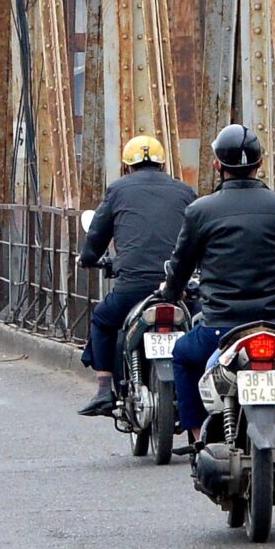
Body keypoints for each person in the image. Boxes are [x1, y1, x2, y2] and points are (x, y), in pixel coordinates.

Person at [156, 124, 275, 443]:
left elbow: (180, 265)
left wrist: (171, 294)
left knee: (183, 355)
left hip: (219, 329)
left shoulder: (201, 211)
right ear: (261, 163)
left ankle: (197, 436)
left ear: (217, 165)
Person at [73, 135, 195, 416]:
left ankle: (104, 390)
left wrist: (87, 259)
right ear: (162, 164)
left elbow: (97, 235)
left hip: (133, 288)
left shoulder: (117, 190)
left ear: (127, 167)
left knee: (102, 319)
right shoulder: (185, 192)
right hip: (177, 287)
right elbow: (196, 236)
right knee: (198, 325)